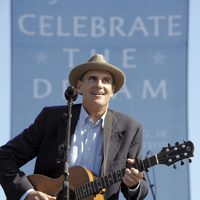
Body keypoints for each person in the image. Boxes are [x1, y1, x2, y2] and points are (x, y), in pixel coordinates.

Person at [0, 54, 148, 200]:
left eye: (106, 80)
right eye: (93, 78)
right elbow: (4, 157)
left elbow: (139, 190)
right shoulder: (51, 118)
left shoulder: (130, 128)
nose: (99, 85)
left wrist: (133, 184)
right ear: (79, 87)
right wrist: (28, 193)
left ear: (113, 90)